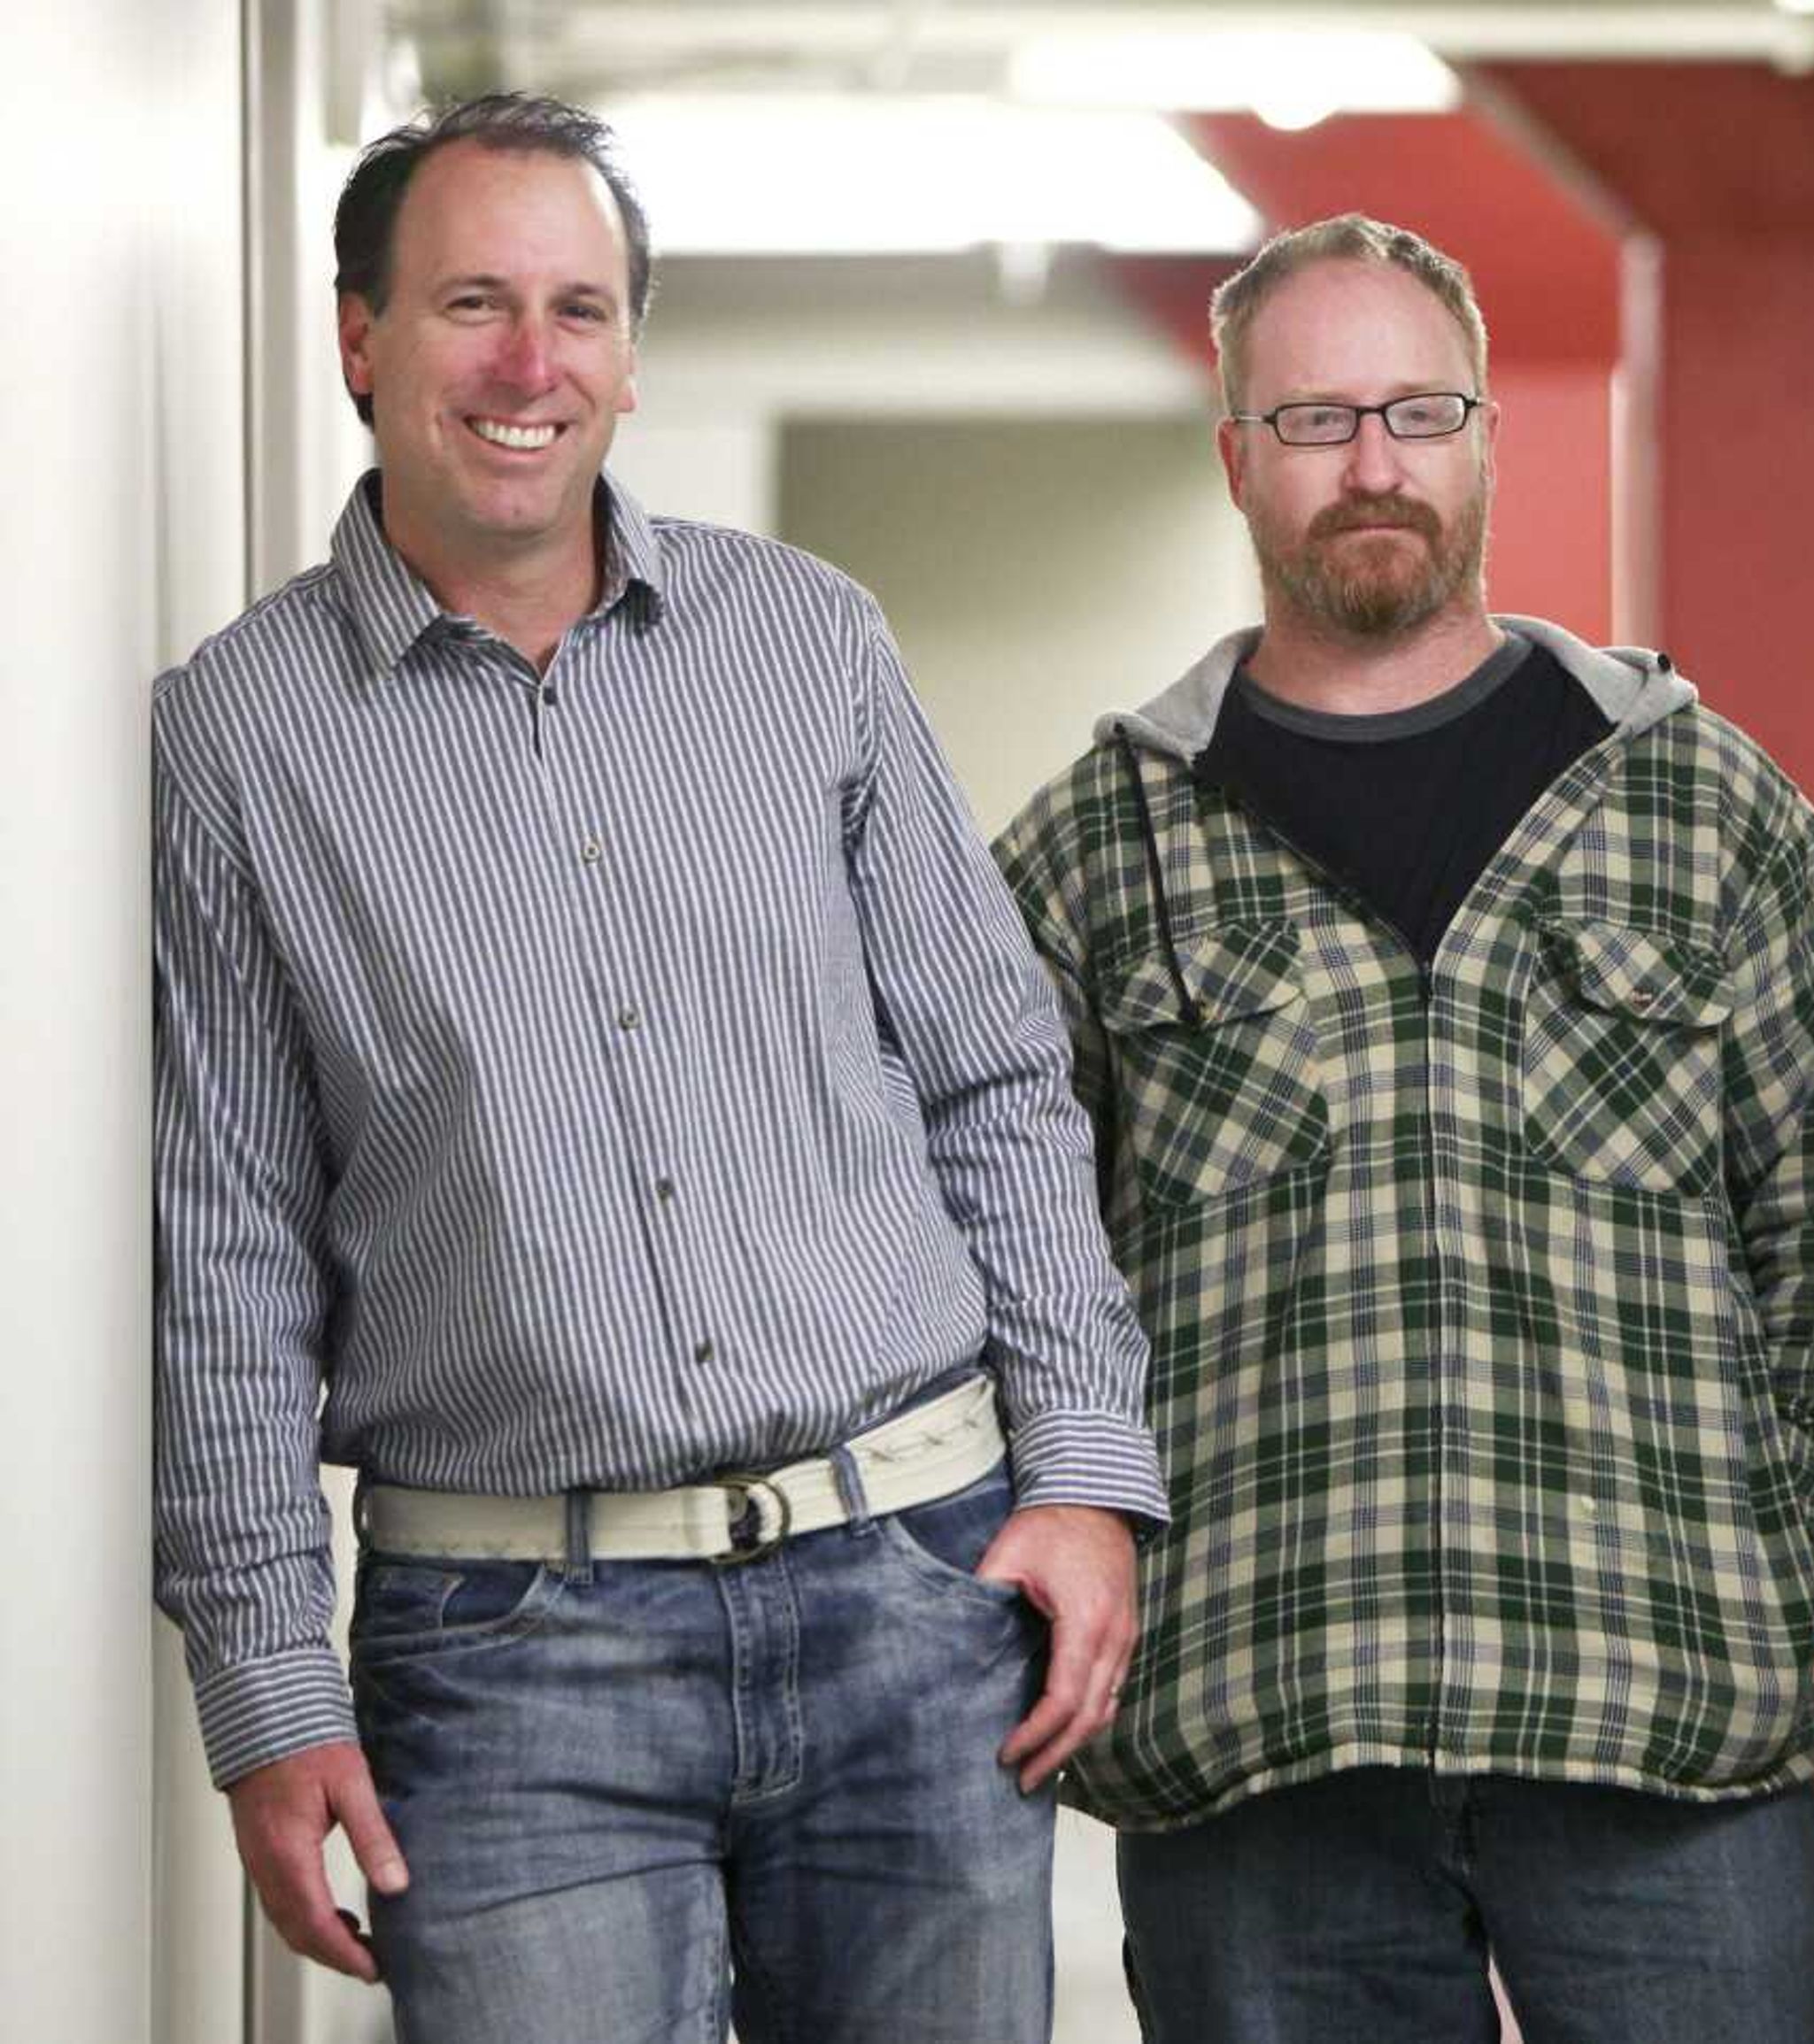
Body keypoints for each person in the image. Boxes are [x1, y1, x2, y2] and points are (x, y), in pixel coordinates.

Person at [151, 93, 1161, 2043]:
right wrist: (268, 1685)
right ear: (359, 338)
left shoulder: (810, 644)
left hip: (916, 1594)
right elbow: (232, 1249)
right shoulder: (237, 740)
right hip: (507, 1665)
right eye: (471, 305)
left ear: (631, 350)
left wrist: (1090, 1478)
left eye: (580, 310)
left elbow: (996, 1083)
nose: (532, 366)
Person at [993, 212, 1814, 2042]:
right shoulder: (1096, 850)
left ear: (1487, 434)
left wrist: (1741, 1538)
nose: (1372, 464)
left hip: (1659, 1722)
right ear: (1236, 458)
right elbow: (1015, 1267)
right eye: (1315, 419)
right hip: (1260, 1726)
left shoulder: (1704, 807)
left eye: (1419, 412)